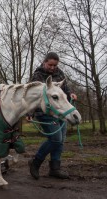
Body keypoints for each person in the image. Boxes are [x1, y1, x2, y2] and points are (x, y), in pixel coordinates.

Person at [27, 52, 77, 180]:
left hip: (60, 112)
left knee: (60, 140)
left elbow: (65, 89)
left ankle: (55, 169)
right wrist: (30, 113)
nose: (53, 68)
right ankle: (35, 162)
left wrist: (70, 93)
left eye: (55, 65)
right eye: (50, 65)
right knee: (55, 139)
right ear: (44, 62)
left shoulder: (59, 73)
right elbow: (32, 96)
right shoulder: (37, 76)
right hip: (44, 113)